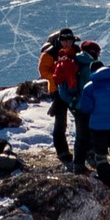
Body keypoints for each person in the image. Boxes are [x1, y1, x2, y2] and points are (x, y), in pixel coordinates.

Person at [76, 47, 110, 194]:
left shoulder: (89, 87)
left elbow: (86, 108)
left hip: (98, 127)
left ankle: (107, 185)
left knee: (101, 157)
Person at [38, 27, 81, 168]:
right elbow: (43, 70)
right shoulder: (50, 53)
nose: (67, 43)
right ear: (60, 40)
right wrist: (58, 78)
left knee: (81, 118)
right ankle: (62, 151)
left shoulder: (77, 50)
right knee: (61, 120)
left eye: (69, 40)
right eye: (64, 40)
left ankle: (85, 148)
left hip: (74, 89)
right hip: (57, 90)